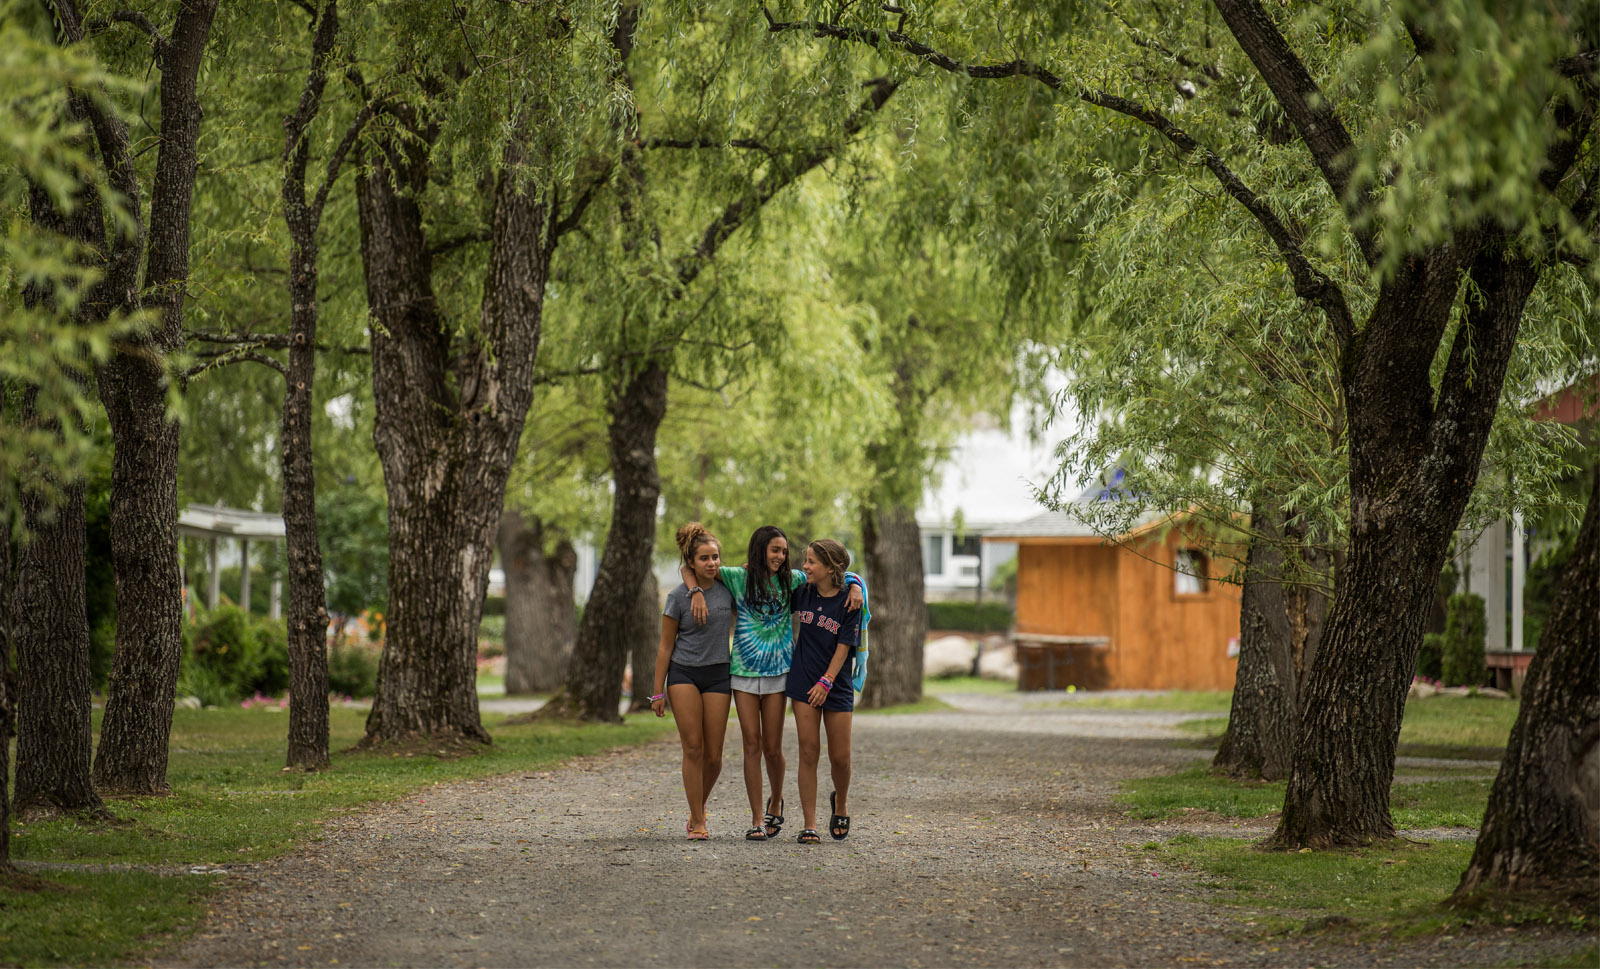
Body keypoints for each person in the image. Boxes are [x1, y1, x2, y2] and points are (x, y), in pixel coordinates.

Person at [683, 526, 864, 841]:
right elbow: (691, 566)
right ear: (760, 550)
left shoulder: (793, 581)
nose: (782, 557)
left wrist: (856, 584)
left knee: (774, 748)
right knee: (752, 744)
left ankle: (779, 800)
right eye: (775, 550)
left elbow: (837, 574)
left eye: (784, 552)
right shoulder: (738, 577)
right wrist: (695, 591)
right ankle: (757, 819)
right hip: (743, 672)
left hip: (780, 672)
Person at [650, 522, 733, 840]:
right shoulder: (677, 597)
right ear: (692, 562)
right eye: (704, 558)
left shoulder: (729, 588)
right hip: (683, 673)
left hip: (718, 674)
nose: (712, 563)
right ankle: (698, 820)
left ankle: (696, 806)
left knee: (714, 757)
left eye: (715, 557)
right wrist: (657, 692)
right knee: (693, 748)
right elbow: (665, 647)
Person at [786, 538, 860, 844]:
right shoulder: (802, 593)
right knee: (808, 752)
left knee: (840, 758)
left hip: (836, 685)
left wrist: (827, 681)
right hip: (803, 680)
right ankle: (809, 825)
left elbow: (844, 647)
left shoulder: (850, 601)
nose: (805, 566)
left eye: (812, 562)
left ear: (831, 567)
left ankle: (840, 802)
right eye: (805, 561)